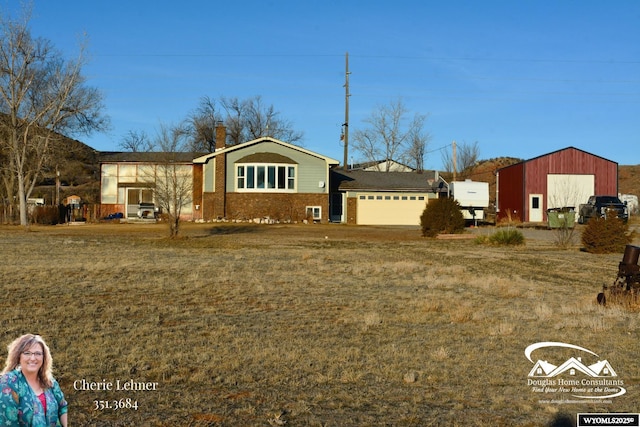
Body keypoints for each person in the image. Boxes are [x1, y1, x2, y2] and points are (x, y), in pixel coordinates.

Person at [0, 334, 68, 426]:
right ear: (18, 356)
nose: (33, 358)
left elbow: (63, 407)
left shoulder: (49, 382)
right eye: (27, 353)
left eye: (38, 353)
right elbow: (8, 422)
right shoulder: (8, 382)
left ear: (44, 358)